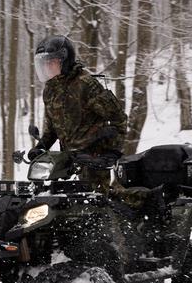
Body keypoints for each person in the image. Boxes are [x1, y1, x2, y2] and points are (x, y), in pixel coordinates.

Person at [28, 35, 127, 191]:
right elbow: (52, 128)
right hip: (66, 161)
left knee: (96, 203)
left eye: (52, 62)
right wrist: (41, 147)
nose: (48, 67)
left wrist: (113, 151)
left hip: (94, 159)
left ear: (64, 60)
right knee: (59, 204)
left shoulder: (85, 84)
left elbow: (118, 118)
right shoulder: (50, 90)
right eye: (45, 63)